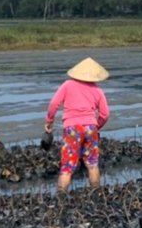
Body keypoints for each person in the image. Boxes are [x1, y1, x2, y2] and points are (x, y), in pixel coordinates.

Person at [45, 57, 111, 191]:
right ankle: (97, 193)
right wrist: (96, 126)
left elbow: (54, 104)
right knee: (92, 164)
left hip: (72, 128)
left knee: (67, 167)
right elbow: (105, 114)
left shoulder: (67, 85)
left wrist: (49, 121)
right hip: (91, 127)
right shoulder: (97, 90)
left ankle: (61, 199)